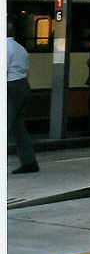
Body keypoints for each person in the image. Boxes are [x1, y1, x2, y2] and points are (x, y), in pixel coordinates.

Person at [7, 22, 39, 174]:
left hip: (10, 87)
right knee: (19, 128)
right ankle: (29, 162)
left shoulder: (5, 47)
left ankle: (29, 163)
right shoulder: (20, 48)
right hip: (22, 86)